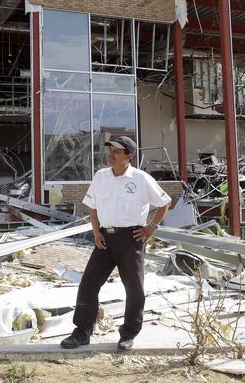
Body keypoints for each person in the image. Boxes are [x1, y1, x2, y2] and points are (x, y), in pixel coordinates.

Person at [60, 136, 171, 350]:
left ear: (128, 156)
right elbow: (92, 207)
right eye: (110, 149)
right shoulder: (101, 176)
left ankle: (128, 334)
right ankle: (82, 332)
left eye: (116, 151)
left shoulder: (140, 179)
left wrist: (151, 228)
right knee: (88, 284)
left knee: (134, 288)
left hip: (130, 239)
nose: (110, 154)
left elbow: (164, 202)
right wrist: (96, 232)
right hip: (105, 239)